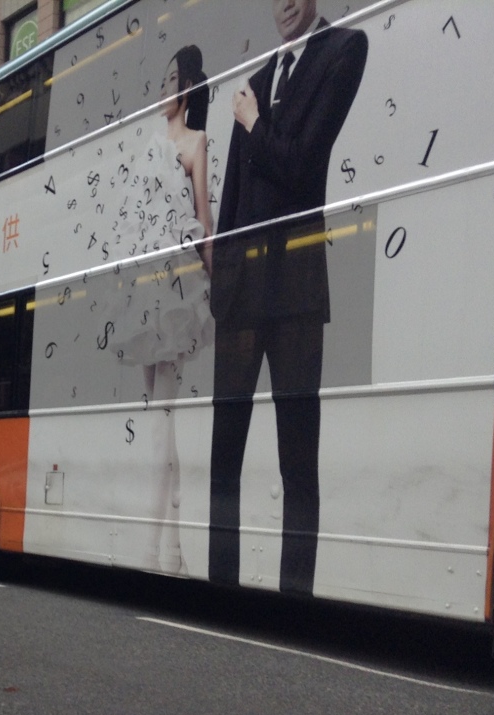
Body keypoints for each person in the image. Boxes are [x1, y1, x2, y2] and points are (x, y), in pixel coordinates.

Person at [208, 0, 367, 595]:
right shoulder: (255, 81)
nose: (285, 4)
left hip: (297, 288)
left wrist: (252, 123)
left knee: (298, 460)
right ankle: (218, 586)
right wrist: (222, 281)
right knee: (224, 456)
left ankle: (294, 595)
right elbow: (230, 199)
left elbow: (302, 166)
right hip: (242, 295)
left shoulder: (344, 51)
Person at [109, 46, 214, 574]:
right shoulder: (150, 144)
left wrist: (212, 281)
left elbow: (204, 220)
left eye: (173, 79)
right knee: (159, 421)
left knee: (162, 421)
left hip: (176, 289)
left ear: (189, 88)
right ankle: (169, 551)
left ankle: (157, 551)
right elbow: (133, 219)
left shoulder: (197, 143)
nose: (164, 88)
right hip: (146, 285)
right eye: (163, 78)